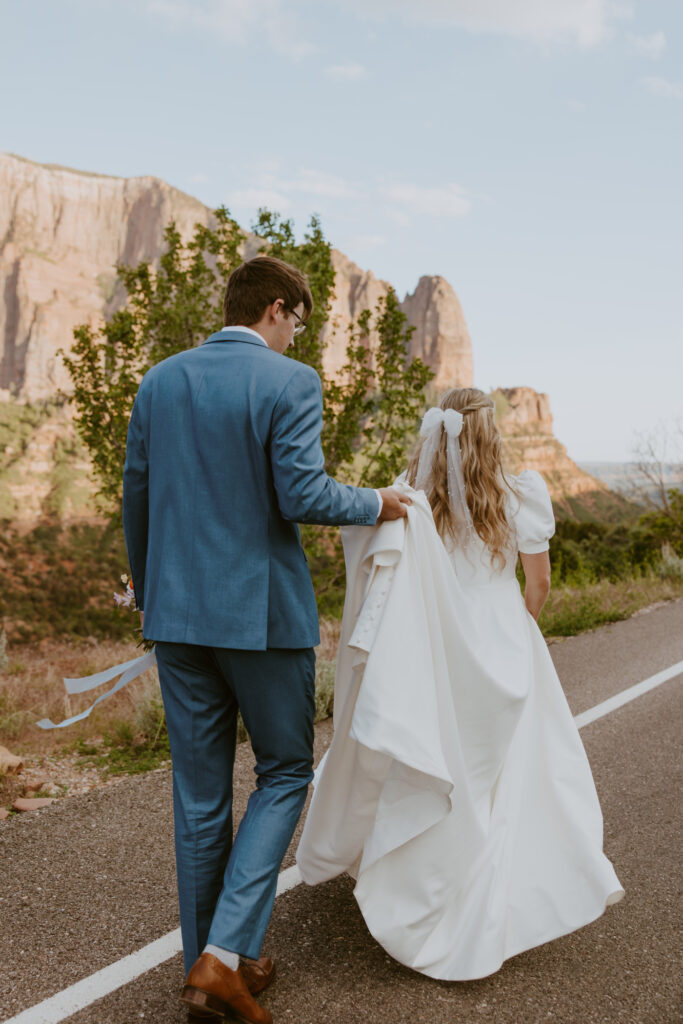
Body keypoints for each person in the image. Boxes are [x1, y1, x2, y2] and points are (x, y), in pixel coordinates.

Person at [122, 255, 411, 1023]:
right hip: (259, 621)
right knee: (284, 772)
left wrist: (149, 597)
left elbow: (137, 497)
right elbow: (303, 492)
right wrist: (379, 501)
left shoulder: (159, 381)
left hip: (176, 620)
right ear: (278, 309)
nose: (296, 337)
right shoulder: (290, 383)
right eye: (299, 322)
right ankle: (221, 961)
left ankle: (214, 961)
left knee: (199, 797)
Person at [297, 387, 624, 981]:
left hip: (440, 641)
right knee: (507, 768)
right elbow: (539, 584)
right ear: (489, 429)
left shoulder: (414, 496)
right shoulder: (520, 493)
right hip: (503, 634)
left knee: (444, 751)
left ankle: (423, 875)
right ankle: (508, 883)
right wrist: (520, 627)